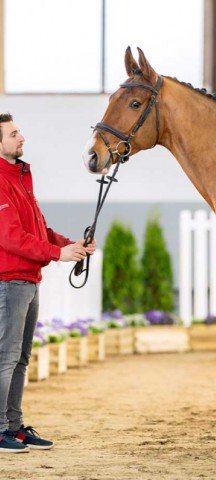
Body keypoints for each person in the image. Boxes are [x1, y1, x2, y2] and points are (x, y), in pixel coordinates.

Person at [0, 113, 95, 453]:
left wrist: (72, 245)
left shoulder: (21, 176)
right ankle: (0, 429)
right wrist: (58, 253)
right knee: (6, 357)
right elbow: (10, 238)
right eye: (13, 134)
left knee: (21, 357)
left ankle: (13, 425)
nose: (21, 137)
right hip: (10, 281)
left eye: (18, 131)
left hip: (28, 280)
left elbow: (38, 228)